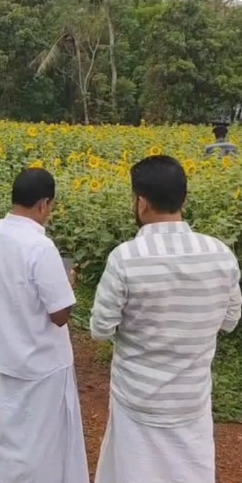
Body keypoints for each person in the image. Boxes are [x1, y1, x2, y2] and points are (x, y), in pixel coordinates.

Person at [90, 155, 241, 483]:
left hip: (137, 400)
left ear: (141, 202)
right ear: (183, 198)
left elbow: (101, 329)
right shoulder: (221, 254)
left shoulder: (126, 258)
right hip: (191, 399)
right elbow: (230, 320)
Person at [0, 167, 90, 483]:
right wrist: (69, 283)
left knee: (11, 434)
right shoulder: (41, 246)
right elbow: (59, 314)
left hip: (5, 352)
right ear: (44, 204)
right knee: (45, 443)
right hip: (43, 361)